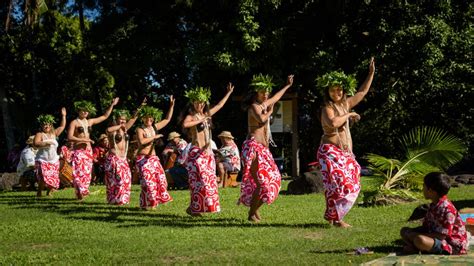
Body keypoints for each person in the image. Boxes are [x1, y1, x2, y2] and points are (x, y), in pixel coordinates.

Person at [316, 58, 375, 228]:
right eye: (333, 90)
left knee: (353, 179)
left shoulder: (346, 104)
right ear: (328, 92)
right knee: (340, 184)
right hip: (330, 151)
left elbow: (362, 93)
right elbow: (334, 123)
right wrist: (350, 115)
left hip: (344, 153)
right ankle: (337, 219)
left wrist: (370, 73)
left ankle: (334, 217)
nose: (337, 93)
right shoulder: (327, 107)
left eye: (340, 90)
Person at [239, 74, 294, 222]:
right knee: (261, 182)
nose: (266, 95)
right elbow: (262, 119)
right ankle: (251, 214)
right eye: (262, 92)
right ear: (256, 93)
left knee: (274, 179)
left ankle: (254, 210)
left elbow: (276, 97)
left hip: (263, 150)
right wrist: (270, 111)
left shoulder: (263, 105)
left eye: (267, 92)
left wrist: (287, 86)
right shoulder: (254, 107)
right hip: (253, 147)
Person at [182, 84, 234, 216]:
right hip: (196, 153)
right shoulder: (191, 116)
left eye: (201, 102)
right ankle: (194, 207)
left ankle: (194, 208)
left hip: (208, 154)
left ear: (205, 103)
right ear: (193, 103)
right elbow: (185, 124)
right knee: (200, 182)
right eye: (196, 102)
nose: (199, 104)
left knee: (209, 182)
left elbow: (220, 106)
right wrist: (202, 119)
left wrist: (228, 93)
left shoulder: (206, 114)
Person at [400, 172, 468, 255]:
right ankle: (415, 247)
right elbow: (426, 227)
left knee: (420, 240)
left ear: (431, 191)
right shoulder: (433, 205)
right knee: (404, 231)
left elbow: (442, 236)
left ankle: (416, 246)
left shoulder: (448, 210)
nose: (422, 189)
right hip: (434, 236)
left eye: (424, 186)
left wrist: (417, 235)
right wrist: (412, 233)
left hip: (451, 244)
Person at [68, 98, 119, 200]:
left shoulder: (89, 122)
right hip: (79, 151)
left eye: (87, 110)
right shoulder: (74, 122)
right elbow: (69, 137)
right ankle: (80, 191)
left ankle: (81, 192)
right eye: (83, 110)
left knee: (87, 173)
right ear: (78, 111)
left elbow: (105, 116)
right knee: (79, 173)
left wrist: (112, 104)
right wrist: (84, 140)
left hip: (88, 151)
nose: (85, 112)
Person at [135, 97, 175, 210]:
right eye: (147, 118)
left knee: (161, 180)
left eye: (151, 118)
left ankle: (146, 204)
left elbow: (167, 119)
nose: (149, 120)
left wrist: (171, 106)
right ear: (143, 118)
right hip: (143, 159)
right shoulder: (139, 129)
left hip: (153, 158)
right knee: (148, 182)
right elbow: (142, 142)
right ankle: (149, 204)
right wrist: (155, 137)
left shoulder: (154, 127)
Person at [105, 101, 145, 205]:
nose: (123, 121)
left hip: (123, 159)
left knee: (127, 179)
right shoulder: (114, 130)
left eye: (124, 119)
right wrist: (120, 126)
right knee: (117, 180)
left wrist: (140, 107)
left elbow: (133, 118)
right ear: (116, 119)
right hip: (114, 158)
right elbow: (108, 130)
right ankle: (115, 200)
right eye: (121, 119)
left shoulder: (125, 129)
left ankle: (122, 200)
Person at [33, 108, 67, 197]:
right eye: (44, 125)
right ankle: (39, 192)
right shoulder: (39, 134)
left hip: (53, 159)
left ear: (51, 125)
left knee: (53, 177)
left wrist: (63, 116)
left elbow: (62, 126)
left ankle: (49, 192)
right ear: (41, 126)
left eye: (48, 125)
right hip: (42, 160)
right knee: (43, 177)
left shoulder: (54, 134)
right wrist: (45, 143)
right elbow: (35, 144)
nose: (46, 126)